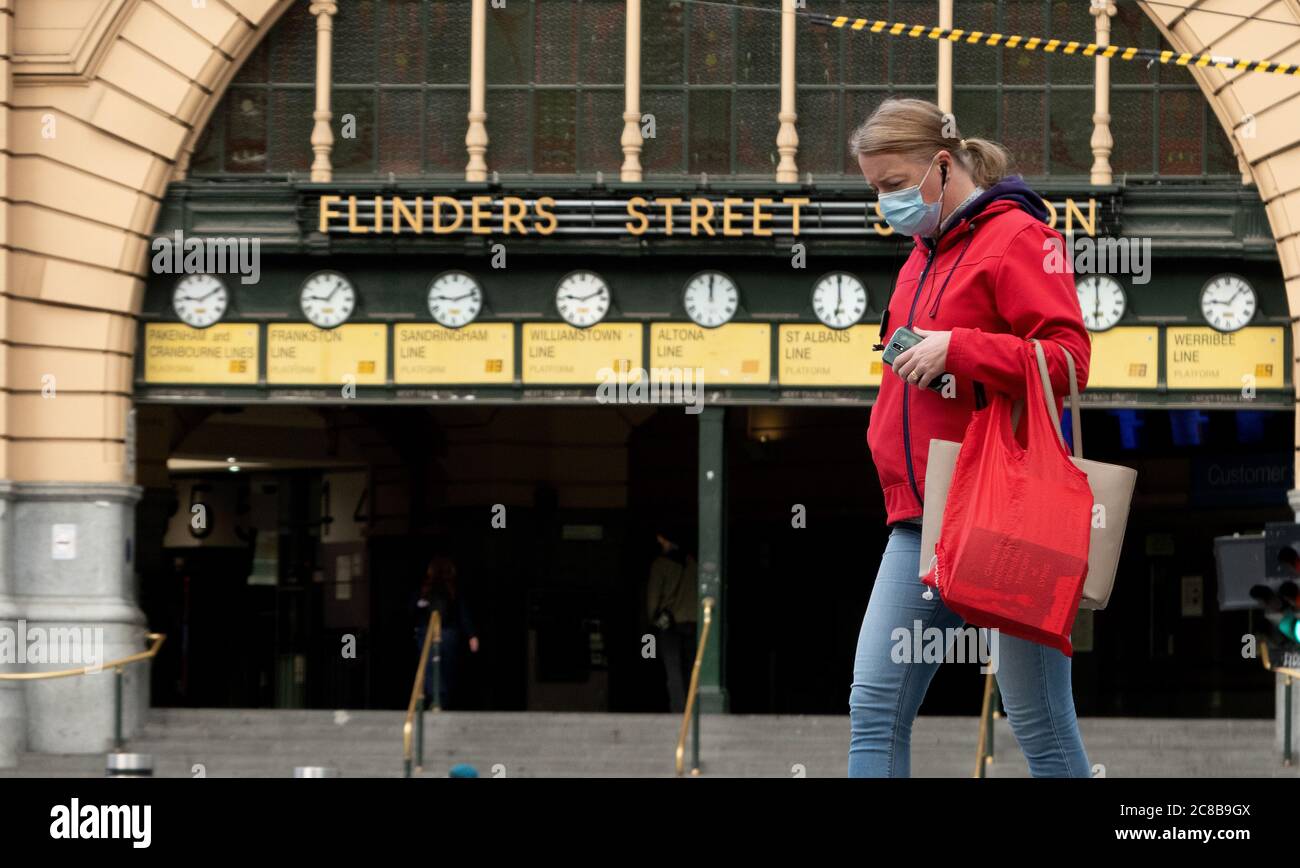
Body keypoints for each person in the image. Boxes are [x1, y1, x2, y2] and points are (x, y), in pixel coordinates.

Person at [846, 98, 1093, 777]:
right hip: (918, 515)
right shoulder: (917, 257)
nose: (885, 204)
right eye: (875, 189)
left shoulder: (1022, 238)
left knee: (1039, 723)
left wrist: (961, 347)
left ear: (944, 164)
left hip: (1009, 513)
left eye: (894, 185)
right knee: (873, 707)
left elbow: (1069, 363)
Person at [411, 554, 479, 710]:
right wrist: (472, 635)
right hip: (448, 634)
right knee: (446, 668)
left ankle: (435, 699)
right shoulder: (453, 589)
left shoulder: (425, 589)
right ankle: (442, 699)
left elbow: (412, 610)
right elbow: (463, 613)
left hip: (427, 633)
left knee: (429, 668)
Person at [646, 526, 698, 713]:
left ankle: (679, 713)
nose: (660, 542)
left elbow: (653, 599)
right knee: (692, 670)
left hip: (671, 625)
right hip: (693, 623)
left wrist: (651, 621)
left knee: (673, 672)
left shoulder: (660, 565)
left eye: (663, 539)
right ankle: (694, 710)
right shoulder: (693, 562)